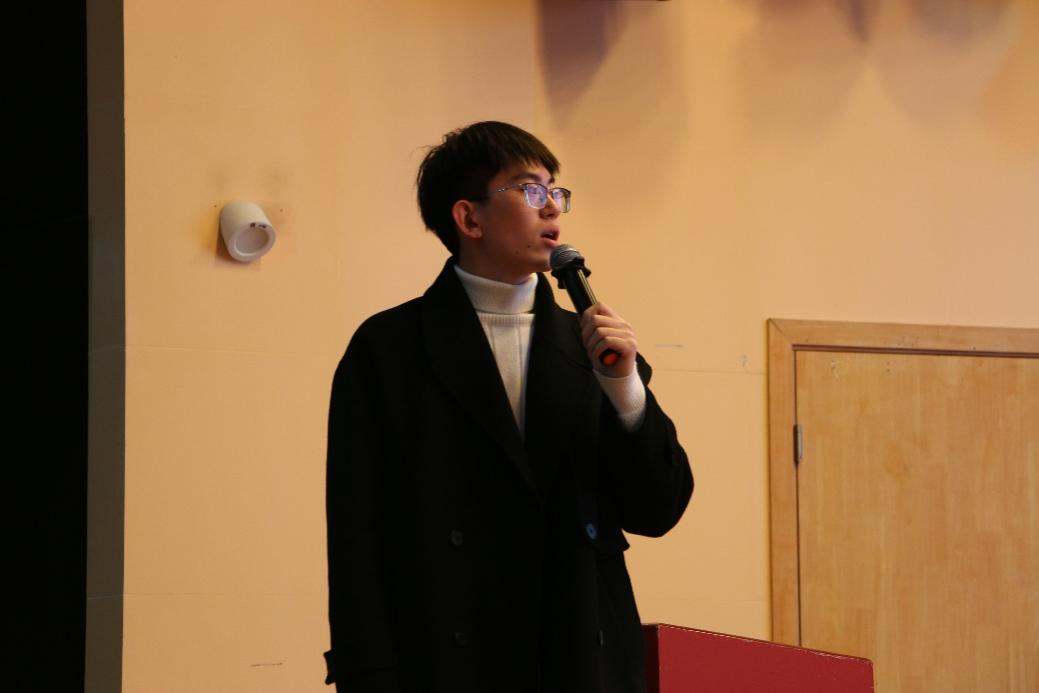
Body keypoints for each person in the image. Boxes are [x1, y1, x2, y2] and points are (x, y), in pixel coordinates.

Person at [324, 121, 693, 693]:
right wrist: (366, 673)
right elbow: (356, 532)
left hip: (578, 650)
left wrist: (625, 391)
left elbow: (658, 510)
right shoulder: (389, 348)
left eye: (555, 190)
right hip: (444, 652)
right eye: (529, 189)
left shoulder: (592, 346)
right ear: (469, 218)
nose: (552, 208)